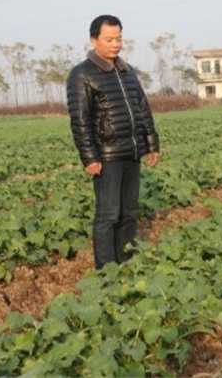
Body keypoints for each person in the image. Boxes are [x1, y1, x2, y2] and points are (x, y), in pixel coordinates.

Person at [66, 15, 160, 269]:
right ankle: (106, 270)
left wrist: (151, 144)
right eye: (109, 39)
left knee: (129, 212)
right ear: (94, 40)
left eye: (118, 38)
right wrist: (90, 157)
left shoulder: (127, 71)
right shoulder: (82, 74)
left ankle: (126, 261)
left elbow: (142, 108)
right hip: (106, 156)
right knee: (108, 215)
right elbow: (80, 120)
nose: (115, 44)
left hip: (131, 151)